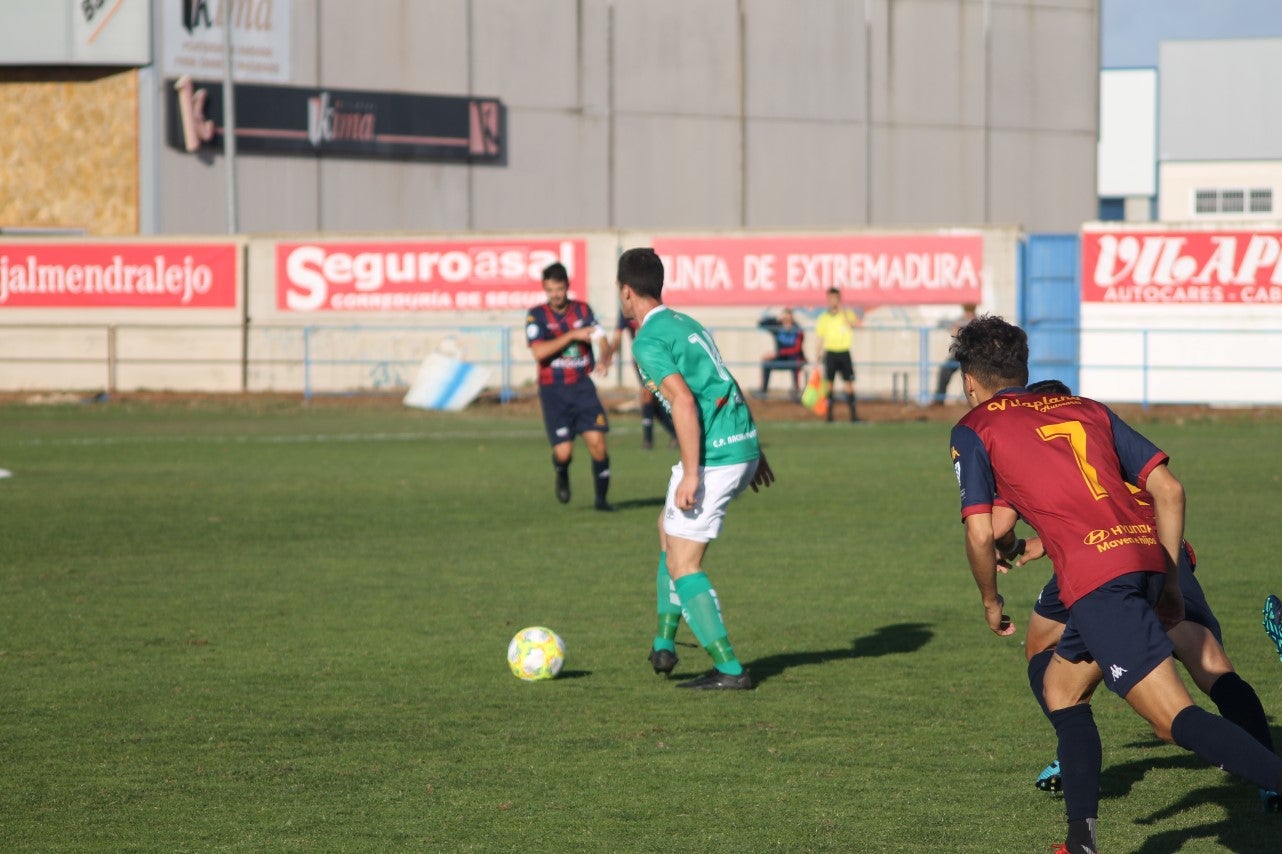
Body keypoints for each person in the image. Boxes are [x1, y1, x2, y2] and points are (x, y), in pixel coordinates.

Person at [948, 316, 1282, 854]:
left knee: (1176, 720)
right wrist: (1169, 578)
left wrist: (990, 601)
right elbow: (1168, 489)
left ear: (969, 381)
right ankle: (1080, 841)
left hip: (1097, 578)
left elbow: (984, 531)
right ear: (1024, 370)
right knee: (1063, 687)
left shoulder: (976, 426)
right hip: (1147, 556)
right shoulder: (1087, 408)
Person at [992, 380, 1278, 812]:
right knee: (1213, 668)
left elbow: (1079, 515)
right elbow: (1136, 497)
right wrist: (1037, 547)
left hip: (1103, 564)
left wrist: (1015, 547)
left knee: (1043, 650)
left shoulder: (1038, 446)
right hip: (1164, 555)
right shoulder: (1104, 438)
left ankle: (1071, 747)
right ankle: (1269, 776)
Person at [615, 247, 774, 690]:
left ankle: (729, 669)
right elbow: (724, 378)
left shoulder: (647, 340)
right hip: (735, 444)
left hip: (716, 457)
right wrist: (754, 447)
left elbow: (684, 401)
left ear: (626, 292)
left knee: (684, 563)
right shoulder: (684, 322)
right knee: (667, 531)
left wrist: (691, 473)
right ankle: (664, 644)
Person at [525, 262, 614, 511]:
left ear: (567, 287)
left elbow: (600, 337)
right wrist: (571, 336)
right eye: (550, 289)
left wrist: (605, 355)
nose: (555, 294)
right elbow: (539, 352)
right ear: (544, 289)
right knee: (564, 452)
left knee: (598, 445)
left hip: (582, 388)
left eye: (560, 288)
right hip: (553, 391)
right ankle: (561, 471)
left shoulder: (583, 310)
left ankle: (601, 501)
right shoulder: (537, 316)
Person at [601, 307, 676, 450]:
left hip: (656, 359)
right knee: (650, 399)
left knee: (650, 396)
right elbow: (617, 337)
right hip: (639, 361)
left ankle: (650, 440)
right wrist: (608, 354)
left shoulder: (651, 307)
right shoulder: (626, 311)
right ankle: (669, 435)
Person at [814, 287, 860, 422]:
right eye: (830, 299)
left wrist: (843, 313)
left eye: (835, 299)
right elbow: (820, 337)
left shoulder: (846, 313)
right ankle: (829, 415)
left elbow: (854, 325)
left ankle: (853, 415)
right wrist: (817, 355)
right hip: (831, 353)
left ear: (839, 300)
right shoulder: (824, 318)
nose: (832, 301)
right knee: (829, 385)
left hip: (844, 352)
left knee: (849, 384)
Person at [756, 308, 806, 400]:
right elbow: (761, 323)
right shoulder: (777, 327)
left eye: (789, 318)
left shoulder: (798, 330)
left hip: (794, 357)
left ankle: (796, 391)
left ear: (792, 319)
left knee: (795, 362)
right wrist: (776, 319)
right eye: (784, 318)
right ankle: (763, 391)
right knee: (766, 363)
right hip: (781, 357)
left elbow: (797, 349)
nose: (786, 321)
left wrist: (777, 353)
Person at [932, 303, 977, 405]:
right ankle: (939, 400)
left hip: (972, 356)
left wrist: (960, 330)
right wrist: (955, 327)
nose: (968, 314)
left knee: (973, 377)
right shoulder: (959, 320)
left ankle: (972, 401)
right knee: (944, 371)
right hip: (957, 355)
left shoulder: (977, 322)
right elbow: (944, 325)